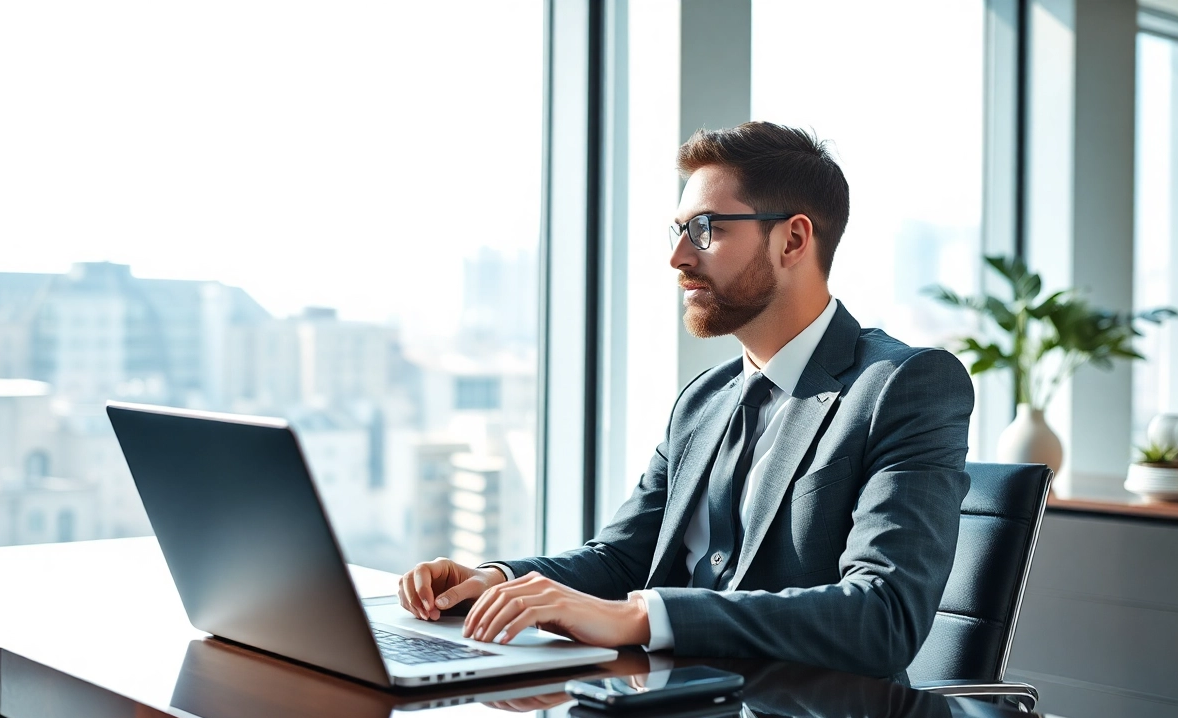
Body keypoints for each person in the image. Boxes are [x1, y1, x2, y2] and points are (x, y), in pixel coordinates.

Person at [397, 121, 974, 677]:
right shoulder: (703, 401)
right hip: (679, 713)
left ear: (793, 240)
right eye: (677, 231)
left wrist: (644, 617)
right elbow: (622, 560)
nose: (678, 257)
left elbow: (883, 616)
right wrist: (495, 581)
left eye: (705, 229)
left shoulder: (904, 385)